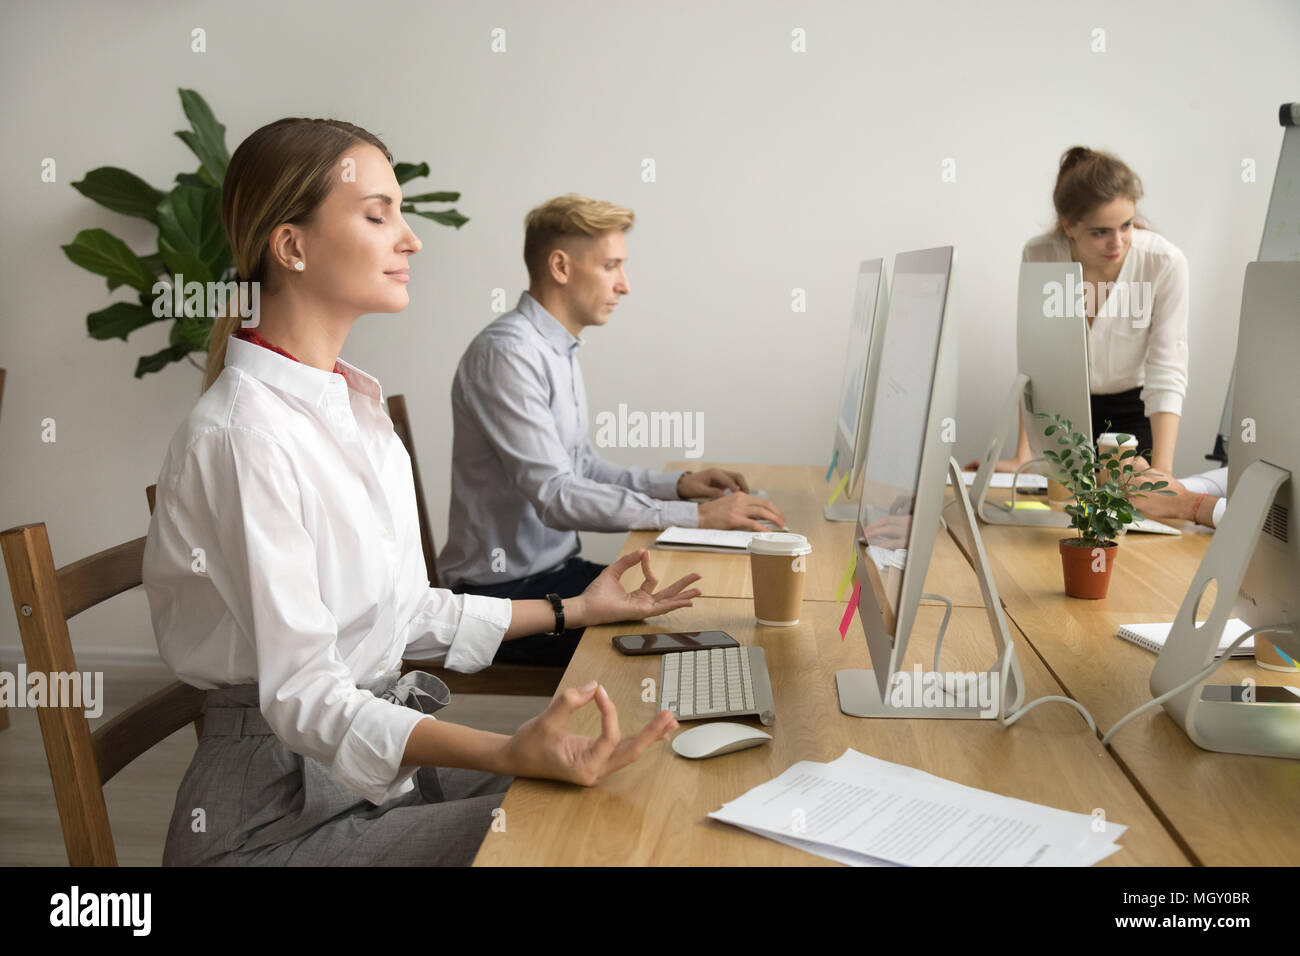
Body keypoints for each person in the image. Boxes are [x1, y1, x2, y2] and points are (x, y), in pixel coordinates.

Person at [141, 118, 700, 866]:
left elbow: (407, 613)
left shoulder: (354, 410)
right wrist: (508, 752)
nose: (411, 239)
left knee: (626, 798)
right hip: (270, 819)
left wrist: (577, 608)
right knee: (589, 839)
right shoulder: (243, 435)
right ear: (292, 246)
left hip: (363, 775)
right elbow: (306, 696)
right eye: (379, 215)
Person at [437, 194, 787, 666]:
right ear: (561, 267)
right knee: (699, 635)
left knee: (709, 609)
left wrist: (680, 487)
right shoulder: (509, 354)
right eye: (611, 266)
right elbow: (556, 497)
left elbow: (580, 466)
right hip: (506, 596)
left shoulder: (554, 348)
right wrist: (697, 519)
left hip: (553, 576)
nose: (624, 285)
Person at [983, 146, 1190, 476]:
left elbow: (1167, 371)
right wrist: (1024, 455)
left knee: (1124, 515)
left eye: (1126, 225)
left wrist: (1162, 475)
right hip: (1061, 413)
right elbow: (1039, 362)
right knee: (1053, 514)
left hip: (1131, 414)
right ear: (1068, 226)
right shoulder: (1040, 256)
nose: (1118, 243)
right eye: (1100, 233)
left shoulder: (1164, 263)